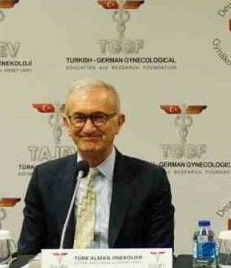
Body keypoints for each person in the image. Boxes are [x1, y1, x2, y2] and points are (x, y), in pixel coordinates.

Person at [18, 79, 174, 253]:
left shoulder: (151, 179)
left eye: (99, 118)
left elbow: (161, 257)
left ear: (119, 122)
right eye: (79, 118)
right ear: (67, 124)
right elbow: (28, 254)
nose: (88, 128)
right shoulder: (44, 178)